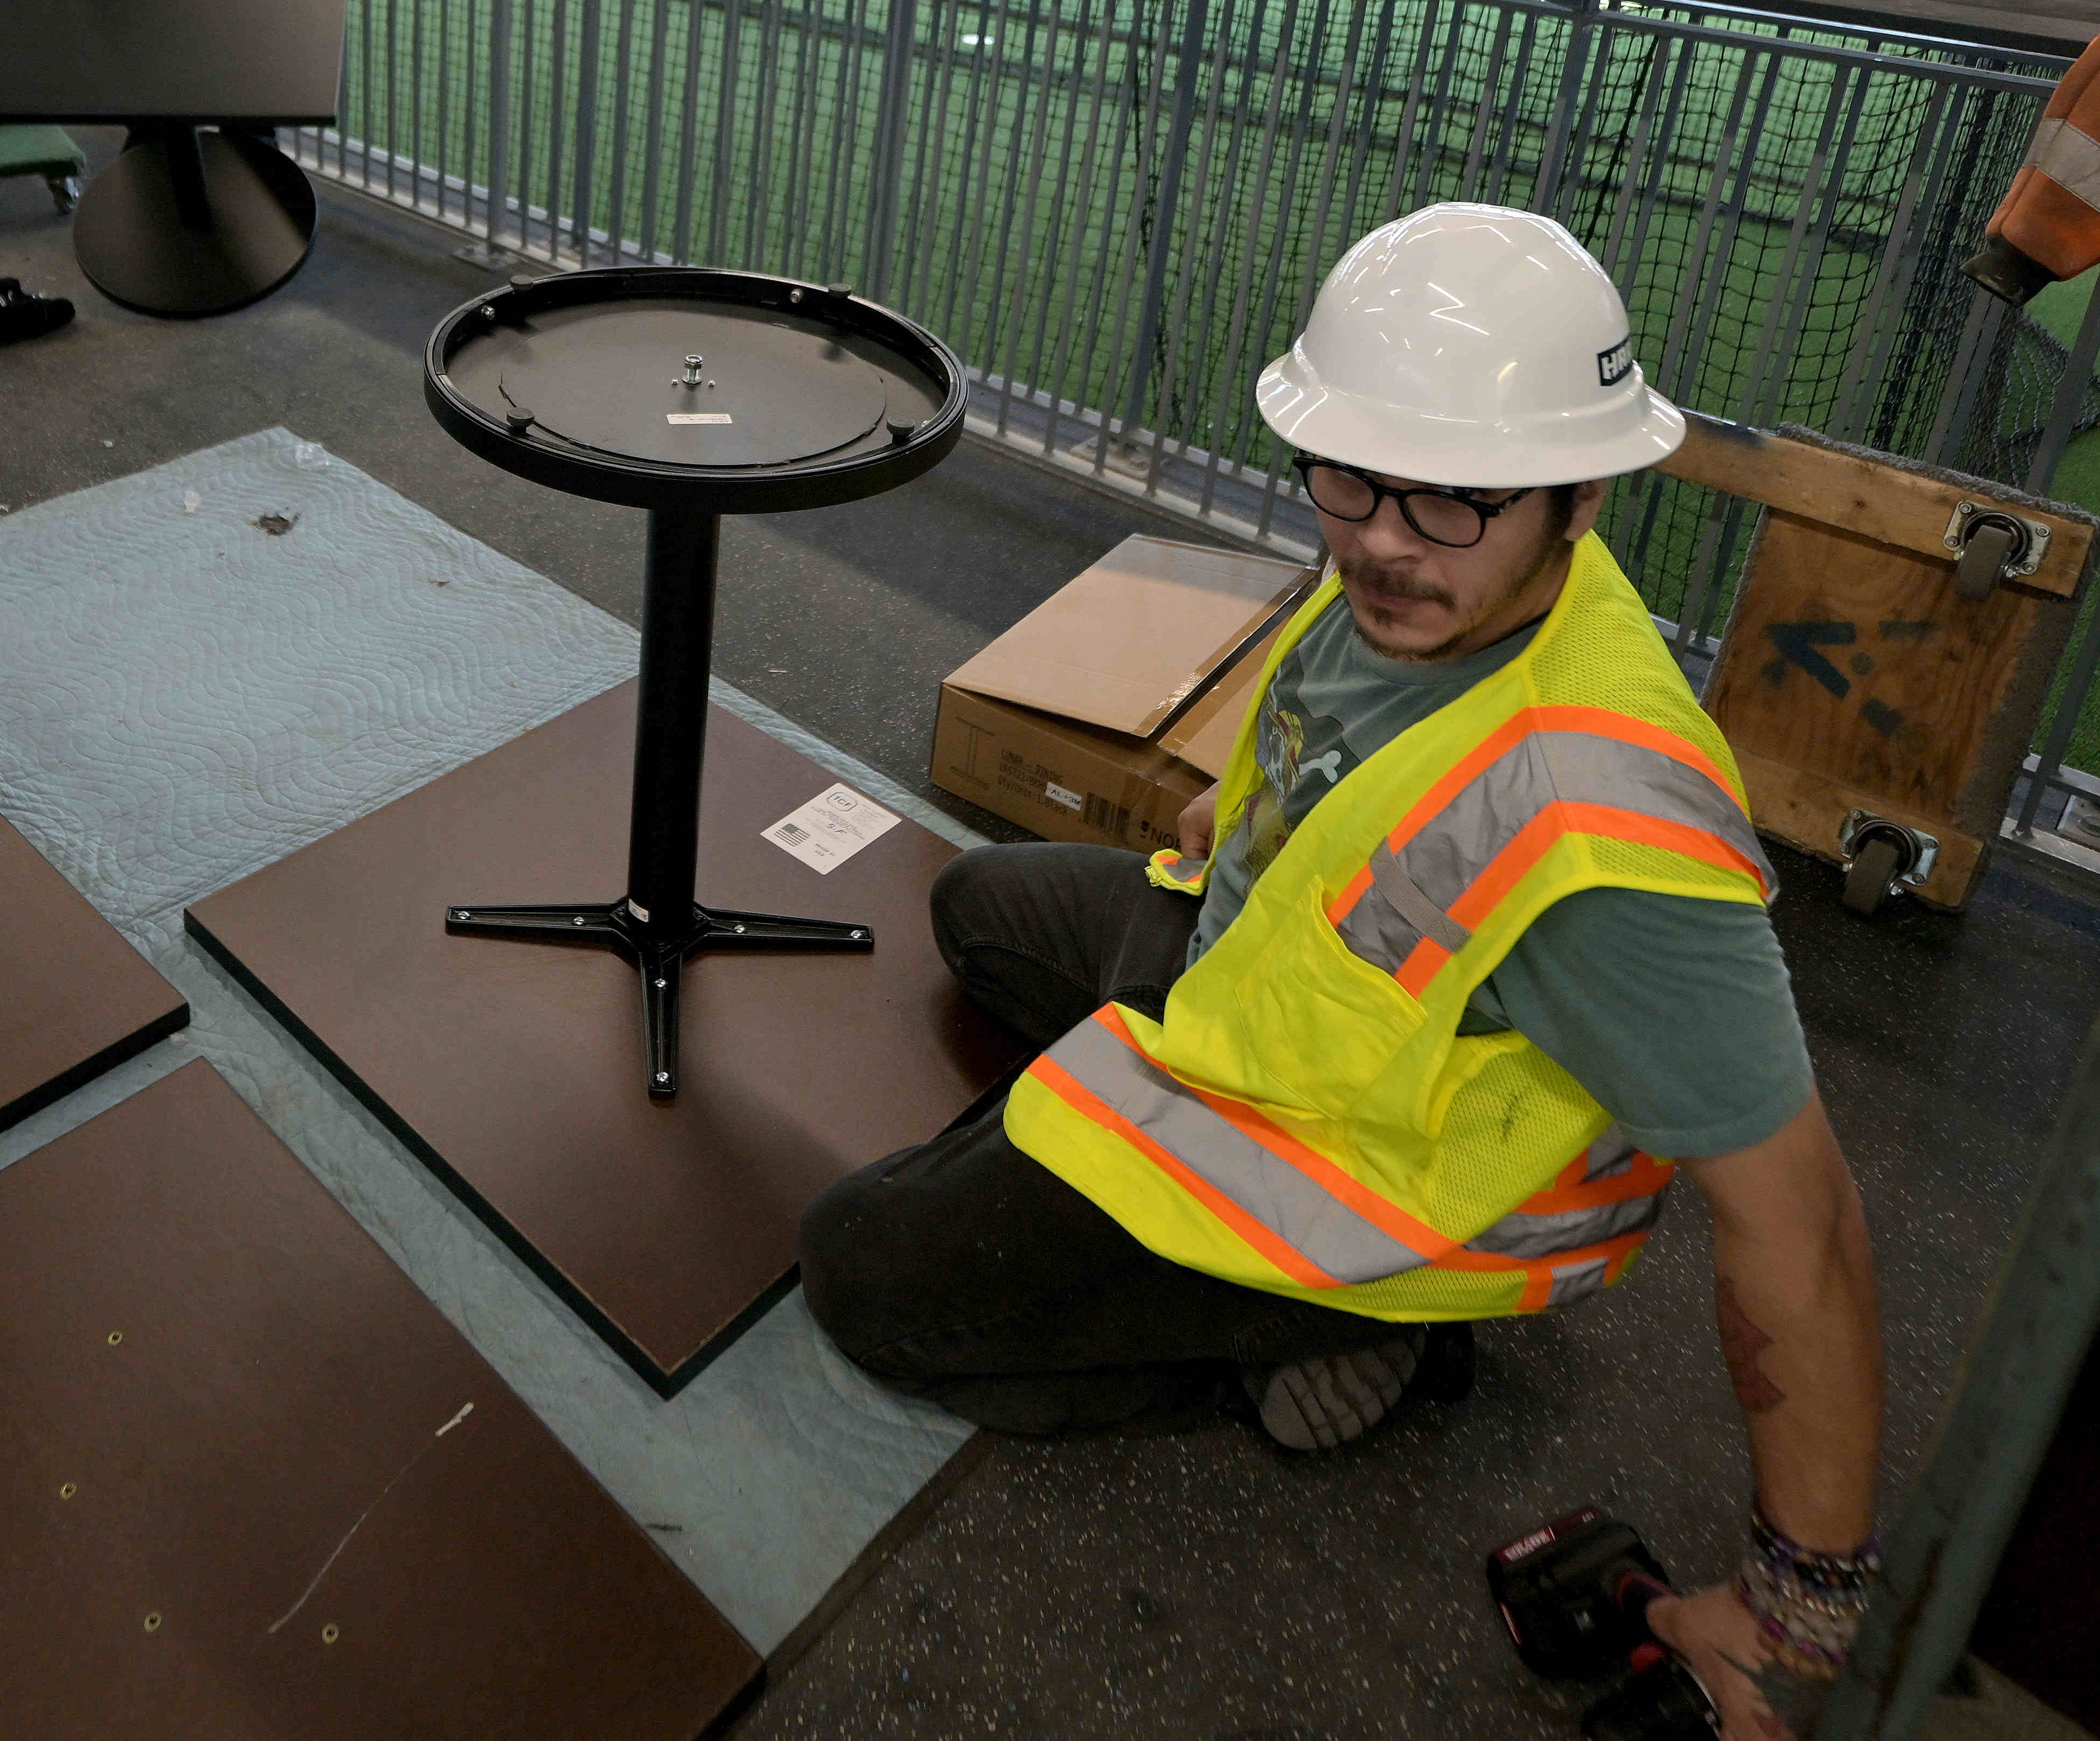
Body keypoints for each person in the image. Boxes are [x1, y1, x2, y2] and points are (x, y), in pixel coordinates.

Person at [797, 204, 1881, 1740]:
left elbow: (1807, 1222)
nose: (1380, 535)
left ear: (1581, 498)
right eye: (1351, 476)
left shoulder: (1609, 833)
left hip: (1362, 1168)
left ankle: (1340, 1325)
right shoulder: (1433, 571)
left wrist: (1797, 1611)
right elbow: (1341, 770)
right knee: (976, 903)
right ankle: (1140, 1160)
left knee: (865, 1265)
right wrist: (1229, 819)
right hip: (1259, 991)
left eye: (1453, 503)